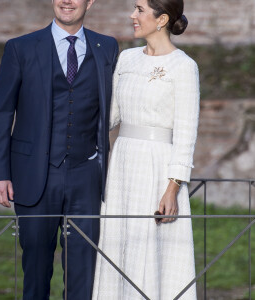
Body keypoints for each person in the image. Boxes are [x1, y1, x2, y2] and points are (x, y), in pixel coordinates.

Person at [0, 0, 119, 298]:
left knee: (84, 268)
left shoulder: (107, 47)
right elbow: (1, 113)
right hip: (34, 174)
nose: (66, 1)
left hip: (86, 174)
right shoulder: (20, 47)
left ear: (90, 2)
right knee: (35, 266)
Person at [93, 0, 199, 299]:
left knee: (155, 251)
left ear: (162, 18)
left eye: (140, 9)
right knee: (119, 244)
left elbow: (186, 133)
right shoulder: (126, 59)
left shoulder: (184, 66)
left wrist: (173, 187)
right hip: (123, 164)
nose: (132, 16)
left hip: (159, 169)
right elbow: (110, 117)